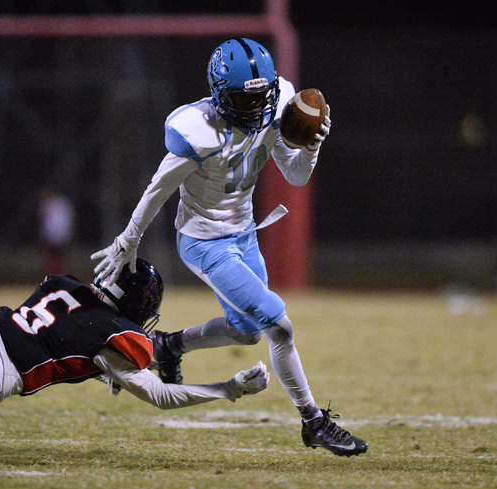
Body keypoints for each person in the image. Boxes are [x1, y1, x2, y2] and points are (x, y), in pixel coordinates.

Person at [91, 38, 367, 457]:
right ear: (221, 94)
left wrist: (311, 148)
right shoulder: (199, 131)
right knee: (280, 325)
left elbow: (294, 176)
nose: (257, 108)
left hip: (243, 233)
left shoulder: (278, 106)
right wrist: (129, 239)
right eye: (245, 97)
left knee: (248, 331)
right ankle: (314, 421)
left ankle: (168, 346)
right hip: (204, 241)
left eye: (262, 96)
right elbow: (157, 191)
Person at [0, 258, 269, 454]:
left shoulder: (67, 285)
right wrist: (227, 388)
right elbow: (161, 396)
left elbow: (63, 338)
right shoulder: (113, 337)